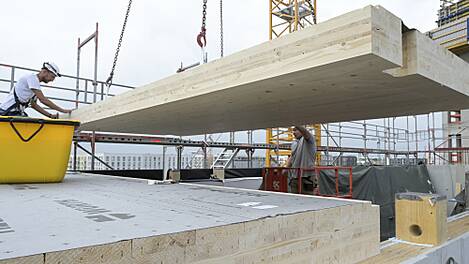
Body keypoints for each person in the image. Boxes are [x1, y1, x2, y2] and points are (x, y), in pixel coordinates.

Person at [0, 62, 72, 118]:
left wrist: (50, 115)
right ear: (45, 72)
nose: (52, 80)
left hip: (14, 112)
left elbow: (34, 105)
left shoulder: (34, 86)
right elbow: (43, 100)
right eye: (52, 77)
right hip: (7, 112)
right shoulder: (32, 78)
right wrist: (63, 110)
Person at [286, 126, 317, 194]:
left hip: (307, 176)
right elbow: (292, 157)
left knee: (307, 198)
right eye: (293, 131)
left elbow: (306, 133)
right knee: (294, 197)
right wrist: (285, 170)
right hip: (295, 176)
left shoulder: (309, 139)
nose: (294, 132)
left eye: (296, 130)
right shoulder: (294, 143)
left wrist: (296, 122)